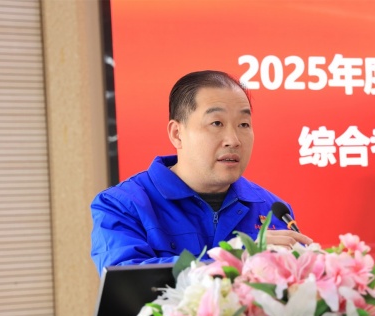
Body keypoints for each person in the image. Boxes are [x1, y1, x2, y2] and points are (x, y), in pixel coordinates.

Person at [90, 70, 312, 273]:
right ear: (177, 134)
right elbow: (126, 283)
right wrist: (237, 259)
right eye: (216, 123)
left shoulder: (272, 208)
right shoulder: (122, 205)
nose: (233, 140)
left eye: (244, 124)